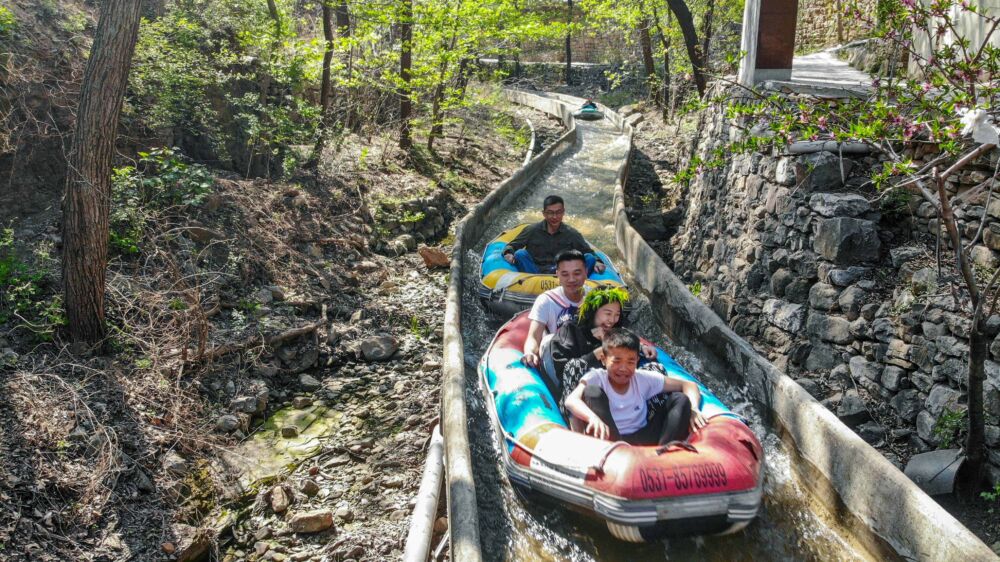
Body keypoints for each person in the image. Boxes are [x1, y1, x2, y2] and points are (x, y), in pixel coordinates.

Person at [564, 329, 707, 446]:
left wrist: (693, 408)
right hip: (610, 439)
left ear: (637, 361)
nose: (623, 368)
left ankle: (664, 452)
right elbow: (571, 401)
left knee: (681, 399)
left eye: (630, 362)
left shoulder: (642, 378)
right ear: (603, 359)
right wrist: (592, 418)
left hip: (643, 438)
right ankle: (617, 452)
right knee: (592, 392)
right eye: (617, 361)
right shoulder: (596, 377)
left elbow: (688, 385)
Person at [544, 287, 656, 401]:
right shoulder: (571, 331)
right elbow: (565, 372)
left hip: (619, 395)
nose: (612, 320)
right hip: (582, 397)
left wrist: (642, 347)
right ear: (593, 311)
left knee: (655, 368)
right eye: (608, 313)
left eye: (617, 314)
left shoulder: (617, 333)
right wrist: (601, 351)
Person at [502, 195, 606, 275]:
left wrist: (597, 261)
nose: (555, 216)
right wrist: (509, 253)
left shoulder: (572, 234)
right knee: (520, 254)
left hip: (564, 274)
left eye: (558, 212)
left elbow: (588, 252)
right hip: (534, 273)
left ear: (563, 212)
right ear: (544, 214)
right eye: (550, 213)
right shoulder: (532, 230)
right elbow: (512, 245)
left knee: (589, 258)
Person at [522, 250, 590, 369]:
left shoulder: (594, 297)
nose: (571, 279)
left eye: (577, 273)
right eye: (565, 274)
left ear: (586, 272)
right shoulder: (546, 301)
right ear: (557, 275)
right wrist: (530, 352)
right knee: (548, 340)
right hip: (558, 358)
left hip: (588, 354)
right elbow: (534, 336)